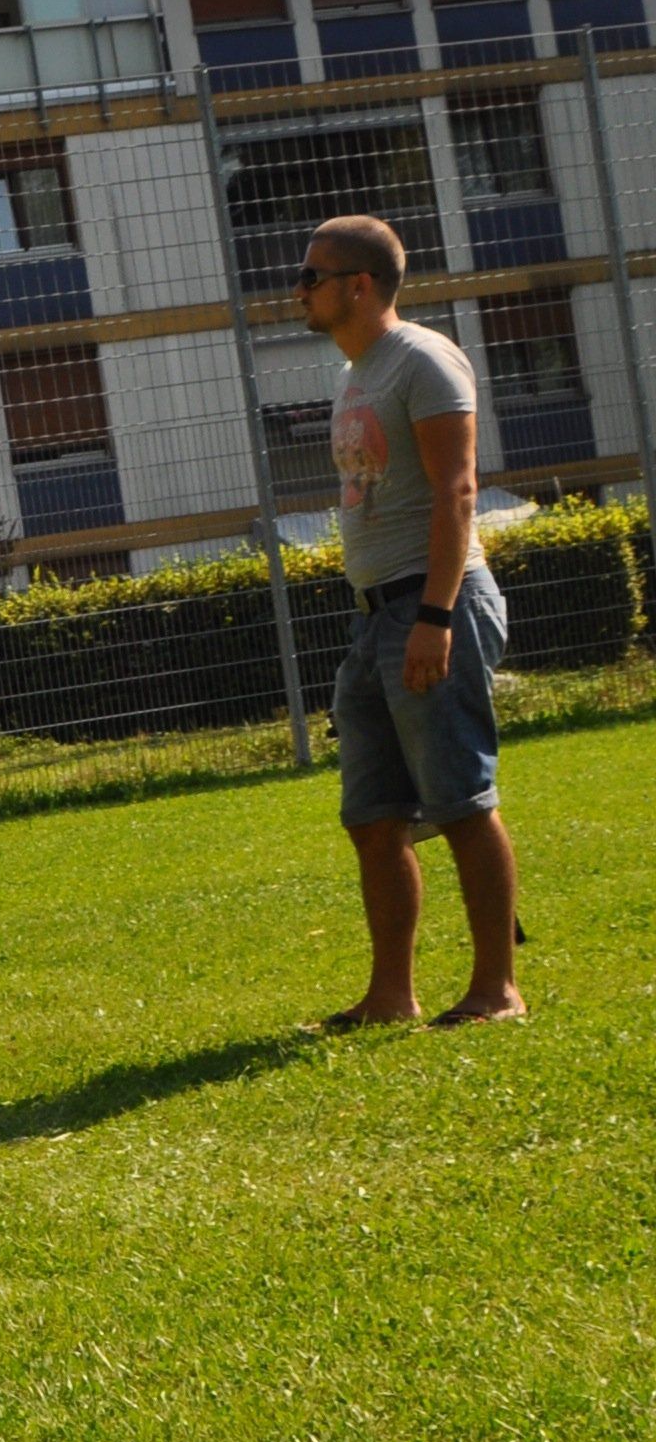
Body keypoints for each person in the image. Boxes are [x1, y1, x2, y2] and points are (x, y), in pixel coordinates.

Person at [299, 213, 525, 1028]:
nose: (299, 291)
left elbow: (457, 490)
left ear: (359, 286)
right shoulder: (359, 373)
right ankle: (391, 998)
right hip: (376, 617)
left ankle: (497, 990)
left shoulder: (422, 360)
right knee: (373, 817)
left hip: (430, 605)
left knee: (461, 801)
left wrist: (435, 615)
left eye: (312, 277)